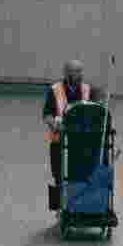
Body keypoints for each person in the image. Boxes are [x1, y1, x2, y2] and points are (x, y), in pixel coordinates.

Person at [45, 58, 92, 202]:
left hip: (80, 141)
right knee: (58, 175)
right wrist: (54, 125)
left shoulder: (88, 89)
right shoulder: (55, 89)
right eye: (75, 71)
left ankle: (79, 204)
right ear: (66, 73)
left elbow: (96, 111)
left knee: (79, 174)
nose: (79, 74)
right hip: (59, 140)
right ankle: (60, 206)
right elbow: (47, 114)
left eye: (80, 71)